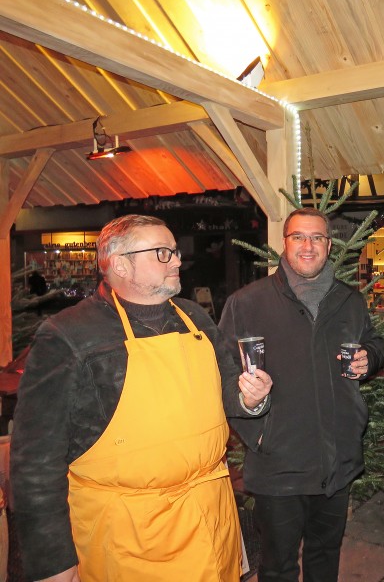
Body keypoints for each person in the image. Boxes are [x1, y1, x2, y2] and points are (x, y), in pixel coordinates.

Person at [11, 214, 272, 582]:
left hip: (210, 520)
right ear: (119, 263)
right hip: (128, 538)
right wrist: (52, 560)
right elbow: (35, 459)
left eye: (175, 252)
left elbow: (229, 387)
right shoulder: (68, 335)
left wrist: (249, 397)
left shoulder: (195, 317)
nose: (178, 261)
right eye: (163, 253)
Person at [218, 207, 384, 582]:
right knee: (278, 567)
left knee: (325, 557)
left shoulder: (349, 300)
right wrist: (258, 431)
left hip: (337, 458)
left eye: (316, 238)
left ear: (329, 245)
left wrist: (369, 358)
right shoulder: (247, 303)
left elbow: (373, 342)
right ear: (285, 243)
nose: (307, 246)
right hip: (279, 464)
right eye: (298, 237)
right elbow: (223, 376)